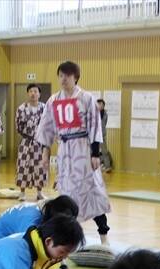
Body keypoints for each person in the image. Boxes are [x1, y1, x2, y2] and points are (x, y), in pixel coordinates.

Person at [36, 61, 112, 245]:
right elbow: (46, 128)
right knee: (67, 194)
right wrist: (45, 153)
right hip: (64, 151)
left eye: (67, 76)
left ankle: (104, 235)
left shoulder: (87, 98)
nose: (64, 79)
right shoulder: (53, 101)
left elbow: (95, 125)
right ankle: (69, 238)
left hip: (83, 149)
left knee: (91, 190)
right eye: (61, 76)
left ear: (75, 77)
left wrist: (95, 154)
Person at [0, 195, 85, 269]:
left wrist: (63, 268)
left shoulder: (48, 210)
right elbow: (36, 253)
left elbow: (57, 245)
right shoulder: (31, 224)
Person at [15, 84, 47, 201]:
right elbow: (18, 126)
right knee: (23, 165)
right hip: (26, 140)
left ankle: (39, 192)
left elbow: (48, 125)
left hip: (40, 142)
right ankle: (22, 192)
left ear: (39, 94)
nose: (33, 93)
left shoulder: (44, 108)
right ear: (28, 93)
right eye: (31, 91)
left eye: (35, 91)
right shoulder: (22, 108)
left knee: (40, 167)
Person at [96, 98, 113, 173]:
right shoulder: (94, 113)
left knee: (104, 151)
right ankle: (91, 167)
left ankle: (108, 167)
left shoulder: (105, 114)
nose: (100, 105)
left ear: (103, 106)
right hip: (94, 135)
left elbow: (105, 123)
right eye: (98, 104)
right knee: (91, 151)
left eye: (101, 104)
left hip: (102, 136)